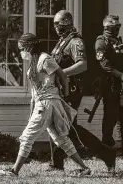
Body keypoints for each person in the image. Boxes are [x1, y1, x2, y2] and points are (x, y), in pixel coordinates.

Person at [0, 33, 91, 177]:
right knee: (61, 138)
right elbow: (34, 93)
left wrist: (67, 96)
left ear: (29, 46)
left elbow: (62, 76)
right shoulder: (34, 62)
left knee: (27, 137)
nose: (21, 52)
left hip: (48, 102)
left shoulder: (45, 59)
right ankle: (84, 168)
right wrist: (32, 111)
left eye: (22, 49)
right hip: (43, 103)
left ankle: (14, 171)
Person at [49, 10, 116, 172]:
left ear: (68, 22)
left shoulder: (75, 42)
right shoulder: (61, 42)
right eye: (55, 24)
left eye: (60, 23)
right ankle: (56, 163)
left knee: (70, 129)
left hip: (71, 91)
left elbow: (82, 64)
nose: (56, 27)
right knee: (55, 124)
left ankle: (107, 154)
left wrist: (61, 73)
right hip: (59, 90)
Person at [95, 15, 123, 153]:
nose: (118, 29)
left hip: (122, 85)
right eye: (115, 27)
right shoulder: (101, 42)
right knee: (110, 115)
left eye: (118, 26)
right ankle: (107, 145)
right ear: (108, 27)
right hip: (110, 85)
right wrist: (120, 75)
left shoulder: (117, 41)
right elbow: (104, 65)